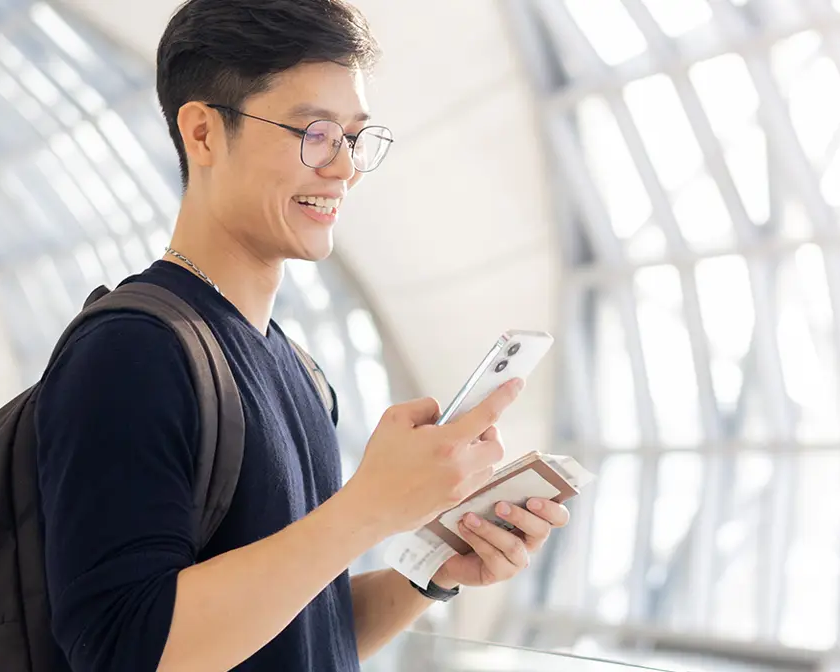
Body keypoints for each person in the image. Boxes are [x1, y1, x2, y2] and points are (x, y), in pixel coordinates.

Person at [31, 0, 573, 670]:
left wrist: (431, 571)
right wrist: (368, 510)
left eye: (353, 137)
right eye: (315, 133)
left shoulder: (296, 367)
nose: (344, 167)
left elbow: (300, 633)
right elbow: (124, 650)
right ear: (202, 133)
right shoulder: (131, 353)